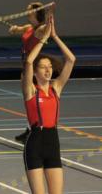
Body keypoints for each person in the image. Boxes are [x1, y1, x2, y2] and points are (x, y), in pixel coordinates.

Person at [22, 16, 75, 194]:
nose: (48, 69)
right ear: (36, 72)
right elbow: (29, 61)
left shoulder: (56, 88)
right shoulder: (30, 90)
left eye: (50, 66)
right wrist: (43, 39)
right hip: (34, 144)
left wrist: (55, 36)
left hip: (53, 143)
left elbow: (71, 60)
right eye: (43, 67)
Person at [9, 2, 50, 143]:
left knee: (34, 101)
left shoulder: (40, 29)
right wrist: (14, 29)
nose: (27, 12)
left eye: (29, 11)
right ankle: (30, 129)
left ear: (36, 13)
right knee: (28, 101)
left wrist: (50, 14)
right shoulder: (29, 27)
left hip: (33, 68)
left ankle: (37, 130)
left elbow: (48, 29)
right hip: (25, 67)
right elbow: (19, 29)